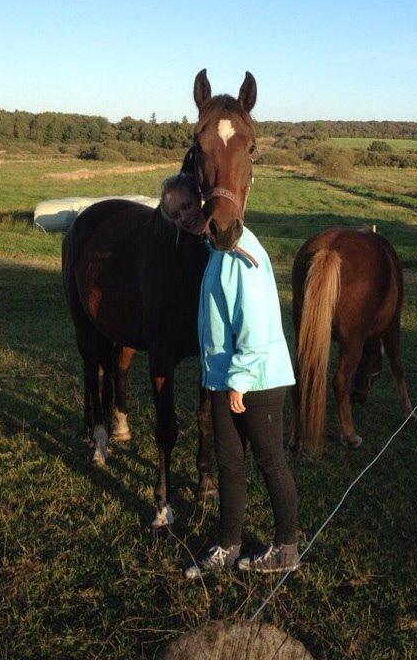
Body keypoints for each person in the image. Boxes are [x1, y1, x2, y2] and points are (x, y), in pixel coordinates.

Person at [185, 218, 299, 578]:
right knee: (229, 463)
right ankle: (228, 545)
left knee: (271, 461)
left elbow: (256, 325)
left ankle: (286, 548)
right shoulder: (217, 250)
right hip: (225, 378)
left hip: (256, 379)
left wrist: (240, 380)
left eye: (189, 208)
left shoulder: (240, 252)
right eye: (177, 213)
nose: (184, 218)